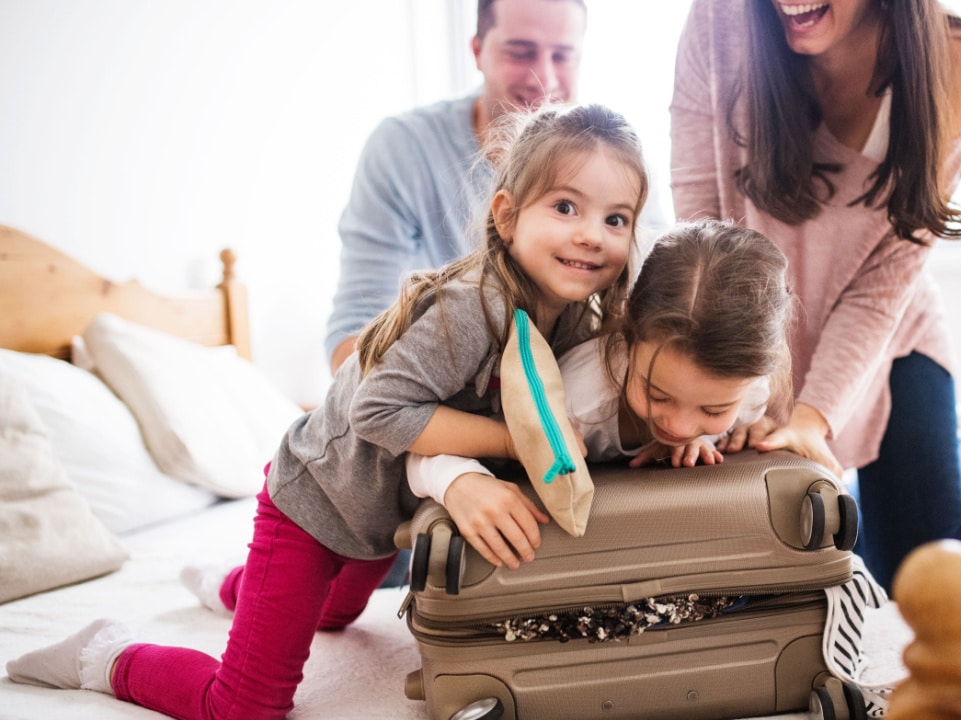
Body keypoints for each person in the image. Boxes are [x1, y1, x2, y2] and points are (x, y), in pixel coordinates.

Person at [5, 102, 649, 719]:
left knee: (335, 617)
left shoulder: (571, 321)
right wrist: (517, 442)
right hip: (313, 503)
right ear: (507, 216)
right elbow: (381, 412)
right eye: (566, 207)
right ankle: (104, 654)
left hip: (379, 516)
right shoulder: (469, 307)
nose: (592, 235)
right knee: (244, 708)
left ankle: (228, 587)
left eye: (616, 219)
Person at [408, 219, 892, 714]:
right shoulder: (577, 396)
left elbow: (741, 430)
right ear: (625, 336)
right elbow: (422, 445)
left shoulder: (750, 395)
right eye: (657, 394)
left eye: (711, 411)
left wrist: (735, 438)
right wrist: (458, 481)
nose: (681, 426)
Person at [669, 0, 961, 589]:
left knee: (932, 580)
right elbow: (700, 228)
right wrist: (742, 391)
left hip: (888, 338)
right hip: (759, 338)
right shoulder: (720, 22)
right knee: (803, 564)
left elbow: (887, 280)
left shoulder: (954, 58)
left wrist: (814, 419)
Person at [325, 0, 589, 374]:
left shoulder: (617, 164)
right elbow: (355, 336)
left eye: (563, 56)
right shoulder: (403, 149)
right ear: (477, 52)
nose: (543, 78)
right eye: (520, 52)